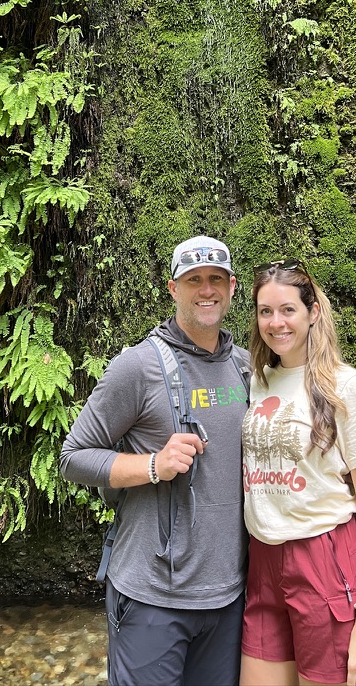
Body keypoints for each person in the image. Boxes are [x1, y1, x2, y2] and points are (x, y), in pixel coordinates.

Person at [59, 235, 251, 686]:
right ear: (172, 288)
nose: (207, 290)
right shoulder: (137, 367)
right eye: (194, 280)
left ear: (232, 287)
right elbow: (73, 457)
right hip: (152, 597)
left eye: (216, 279)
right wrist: (153, 465)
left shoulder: (246, 367)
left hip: (227, 597)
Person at [239, 259, 356, 686]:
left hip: (323, 557)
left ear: (313, 312)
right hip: (263, 560)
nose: (276, 322)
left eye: (288, 309)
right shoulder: (257, 381)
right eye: (265, 311)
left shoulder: (347, 387)